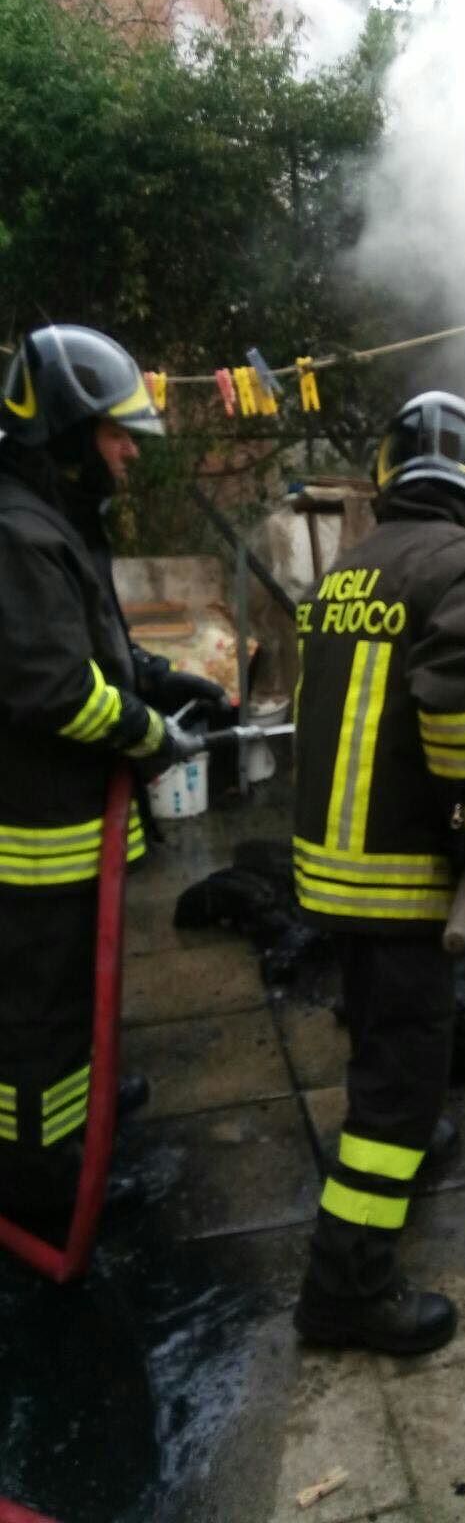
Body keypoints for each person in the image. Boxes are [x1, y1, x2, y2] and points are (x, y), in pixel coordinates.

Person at [292, 390, 465, 1355]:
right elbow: (461, 705)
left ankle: (401, 1148)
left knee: (377, 1027)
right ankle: (347, 1289)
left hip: (332, 869)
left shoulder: (349, 568)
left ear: (387, 478)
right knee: (402, 1076)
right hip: (399, 877)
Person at [0, 323, 213, 1237]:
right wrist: (148, 735)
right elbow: (52, 688)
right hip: (35, 836)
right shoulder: (17, 530)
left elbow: (100, 652)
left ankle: (79, 1114)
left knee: (79, 998)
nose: (131, 451)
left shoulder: (54, 521)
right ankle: (38, 1183)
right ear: (67, 428)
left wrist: (172, 685)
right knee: (37, 1020)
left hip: (71, 826)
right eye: (118, 434)